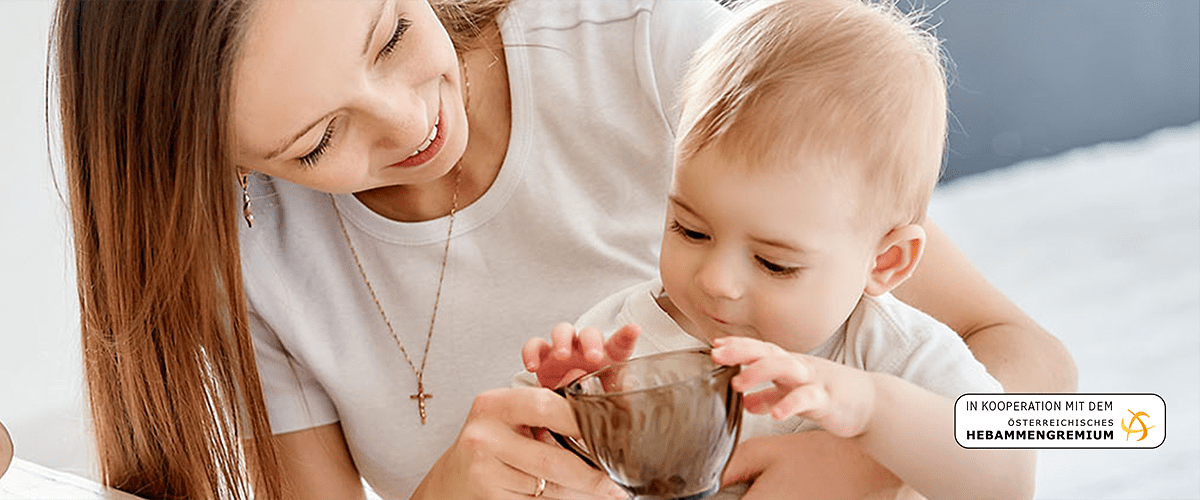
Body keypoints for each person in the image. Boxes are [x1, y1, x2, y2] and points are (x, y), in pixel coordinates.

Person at [51, 0, 1070, 499]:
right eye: (317, 141)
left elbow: (1043, 390)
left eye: (393, 34)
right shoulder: (250, 252)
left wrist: (861, 456)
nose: (410, 122)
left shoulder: (661, 52)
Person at [520, 0, 1037, 498]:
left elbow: (1009, 480)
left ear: (885, 261)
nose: (715, 280)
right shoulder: (623, 342)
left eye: (774, 263)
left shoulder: (895, 351)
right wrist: (566, 418)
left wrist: (871, 410)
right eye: (690, 230)